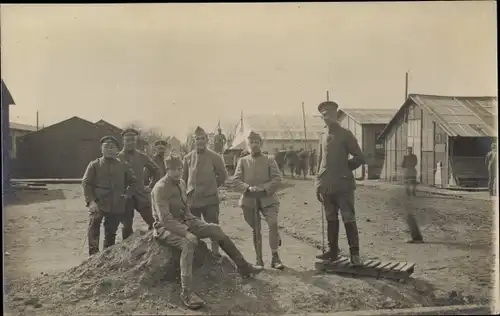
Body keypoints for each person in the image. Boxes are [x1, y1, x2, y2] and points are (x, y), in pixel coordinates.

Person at [152, 155, 264, 310]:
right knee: (188, 243)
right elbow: (165, 219)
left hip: (185, 220)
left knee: (215, 229)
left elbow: (185, 211)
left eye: (179, 168)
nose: (177, 172)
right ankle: (187, 293)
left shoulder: (182, 183)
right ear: (167, 169)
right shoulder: (160, 188)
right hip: (165, 227)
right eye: (172, 169)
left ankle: (243, 266)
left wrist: (199, 224)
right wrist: (186, 232)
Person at [315, 100, 365, 266]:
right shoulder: (322, 136)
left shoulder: (346, 134)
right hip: (327, 186)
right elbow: (320, 162)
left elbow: (359, 157)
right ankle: (333, 251)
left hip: (343, 186)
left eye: (329, 113)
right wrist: (318, 184)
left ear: (336, 114)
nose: (326, 117)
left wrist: (344, 169)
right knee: (331, 218)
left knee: (348, 218)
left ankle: (355, 253)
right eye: (323, 114)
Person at [233, 131, 284, 269]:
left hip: (268, 199)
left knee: (273, 224)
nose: (254, 145)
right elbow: (236, 180)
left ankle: (275, 257)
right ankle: (259, 259)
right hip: (249, 201)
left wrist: (264, 188)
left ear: (261, 144)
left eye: (257, 142)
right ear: (248, 145)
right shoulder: (242, 161)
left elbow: (277, 179)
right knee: (256, 229)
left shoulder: (269, 159)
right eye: (251, 142)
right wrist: (248, 188)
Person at [82, 136, 137, 256]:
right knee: (94, 226)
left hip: (116, 204)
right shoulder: (94, 165)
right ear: (101, 149)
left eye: (112, 147)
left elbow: (133, 182)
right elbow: (86, 183)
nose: (109, 149)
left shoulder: (123, 165)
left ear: (117, 150)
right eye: (106, 147)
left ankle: (107, 256)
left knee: (111, 232)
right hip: (99, 203)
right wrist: (91, 202)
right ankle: (93, 256)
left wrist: (127, 195)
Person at [182, 126, 228, 257]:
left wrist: (213, 187)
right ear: (193, 141)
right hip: (193, 200)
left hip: (210, 200)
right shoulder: (187, 158)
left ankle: (215, 255)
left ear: (207, 140)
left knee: (213, 227)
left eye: (203, 138)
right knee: (194, 229)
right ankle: (199, 256)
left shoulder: (215, 157)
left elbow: (223, 176)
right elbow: (183, 179)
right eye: (197, 139)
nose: (200, 141)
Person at [117, 128, 161, 240]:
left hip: (141, 194)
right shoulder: (118, 157)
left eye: (133, 140)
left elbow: (156, 170)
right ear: (123, 141)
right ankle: (127, 249)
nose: (130, 143)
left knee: (152, 221)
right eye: (128, 140)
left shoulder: (142, 156)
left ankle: (154, 245)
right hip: (126, 196)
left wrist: (150, 186)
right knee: (127, 225)